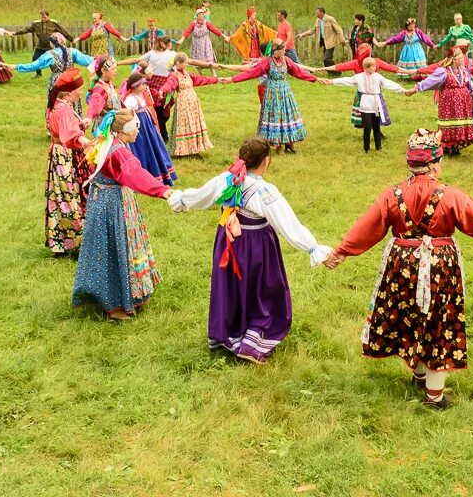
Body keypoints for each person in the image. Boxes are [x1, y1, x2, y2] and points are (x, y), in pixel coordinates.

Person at [325, 128, 473, 409]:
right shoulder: (450, 195)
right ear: (433, 164)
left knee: (410, 316)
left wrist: (341, 252)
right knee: (439, 323)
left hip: (401, 264)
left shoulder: (392, 194)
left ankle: (420, 375)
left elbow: (368, 226)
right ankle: (435, 396)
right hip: (439, 265)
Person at [170, 138, 331, 362]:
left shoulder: (227, 180)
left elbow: (201, 196)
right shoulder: (264, 191)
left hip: (228, 242)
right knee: (262, 288)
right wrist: (314, 248)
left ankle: (227, 331)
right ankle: (253, 338)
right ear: (266, 161)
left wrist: (181, 199)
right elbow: (288, 224)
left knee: (232, 286)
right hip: (257, 246)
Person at [71, 108, 181, 321]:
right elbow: (135, 174)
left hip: (100, 201)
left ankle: (107, 295)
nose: (138, 131)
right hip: (112, 204)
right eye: (135, 128)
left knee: (102, 249)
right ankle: (115, 304)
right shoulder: (119, 152)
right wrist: (163, 190)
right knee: (115, 248)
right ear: (122, 131)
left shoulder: (107, 141)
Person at [219, 41, 319, 153]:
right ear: (276, 50)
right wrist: (232, 79)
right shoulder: (267, 62)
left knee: (287, 115)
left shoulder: (286, 60)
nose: (285, 51)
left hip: (285, 92)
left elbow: (298, 72)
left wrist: (315, 79)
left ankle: (289, 143)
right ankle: (278, 145)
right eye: (283, 49)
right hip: (272, 93)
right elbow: (251, 73)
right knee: (276, 116)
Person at [43, 69, 91, 256]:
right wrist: (86, 141)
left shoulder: (58, 105)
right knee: (68, 195)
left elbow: (65, 129)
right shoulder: (63, 110)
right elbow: (69, 135)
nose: (81, 92)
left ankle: (61, 243)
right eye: (78, 89)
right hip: (65, 156)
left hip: (59, 152)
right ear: (69, 92)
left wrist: (80, 125)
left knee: (59, 195)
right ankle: (77, 237)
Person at [405, 42, 473, 155]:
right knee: (449, 124)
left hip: (463, 103)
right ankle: (447, 148)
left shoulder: (464, 70)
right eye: (460, 58)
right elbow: (429, 81)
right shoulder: (443, 71)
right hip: (449, 103)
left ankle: (456, 147)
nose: (463, 60)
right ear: (454, 59)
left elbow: (470, 84)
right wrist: (415, 89)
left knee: (460, 124)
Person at [324, 56, 408, 152]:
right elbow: (346, 80)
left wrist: (403, 90)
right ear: (365, 68)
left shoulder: (378, 77)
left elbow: (389, 84)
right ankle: (366, 149)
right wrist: (331, 81)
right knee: (367, 127)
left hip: (376, 104)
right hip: (365, 104)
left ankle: (378, 147)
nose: (374, 68)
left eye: (374, 66)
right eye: (371, 67)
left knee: (376, 127)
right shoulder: (359, 77)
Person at [156, 53, 220, 157]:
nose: (187, 64)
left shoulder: (188, 74)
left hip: (193, 103)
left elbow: (201, 79)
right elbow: (169, 84)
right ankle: (183, 150)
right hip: (183, 104)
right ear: (178, 63)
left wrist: (217, 80)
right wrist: (162, 91)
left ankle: (194, 148)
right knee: (186, 124)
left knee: (194, 123)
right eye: (185, 62)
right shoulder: (174, 75)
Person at [17, 34, 95, 117]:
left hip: (57, 82)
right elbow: (88, 60)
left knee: (56, 105)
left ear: (51, 43)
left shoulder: (50, 55)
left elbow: (34, 66)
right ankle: (74, 123)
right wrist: (103, 59)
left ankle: (56, 124)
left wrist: (16, 67)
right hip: (71, 81)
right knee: (73, 101)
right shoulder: (73, 52)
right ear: (64, 41)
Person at [120, 73, 177, 185]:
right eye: (143, 84)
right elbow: (128, 114)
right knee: (143, 150)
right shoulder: (130, 100)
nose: (145, 86)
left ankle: (159, 174)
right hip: (141, 129)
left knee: (155, 147)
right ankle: (145, 176)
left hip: (148, 127)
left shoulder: (139, 96)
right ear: (135, 87)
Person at [119, 36, 178, 140]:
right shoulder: (172, 54)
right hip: (160, 86)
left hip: (152, 86)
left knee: (157, 111)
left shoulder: (151, 53)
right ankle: (161, 135)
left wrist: (119, 62)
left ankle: (160, 133)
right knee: (160, 112)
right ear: (167, 44)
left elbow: (136, 60)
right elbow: (188, 61)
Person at [14, 10, 69, 78]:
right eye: (42, 17)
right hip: (40, 46)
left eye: (45, 17)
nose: (43, 19)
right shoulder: (36, 24)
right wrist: (15, 33)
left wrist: (71, 39)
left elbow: (63, 31)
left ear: (48, 16)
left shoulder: (54, 23)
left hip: (50, 47)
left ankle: (57, 76)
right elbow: (26, 29)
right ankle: (38, 74)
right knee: (35, 59)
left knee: (52, 62)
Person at [86, 57, 123, 127]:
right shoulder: (99, 88)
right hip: (105, 128)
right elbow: (94, 104)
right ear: (103, 70)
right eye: (113, 69)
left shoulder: (108, 82)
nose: (116, 71)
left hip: (113, 124)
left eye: (115, 68)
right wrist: (89, 117)